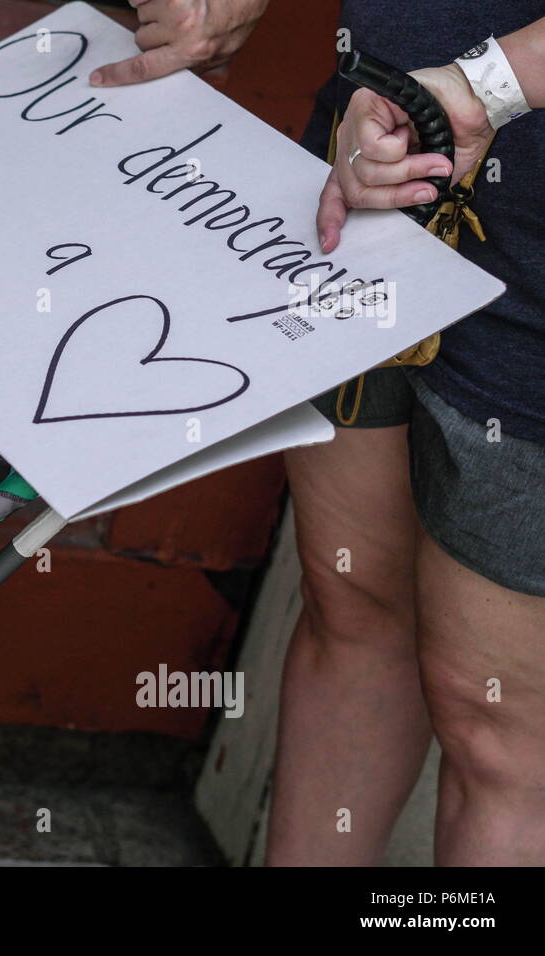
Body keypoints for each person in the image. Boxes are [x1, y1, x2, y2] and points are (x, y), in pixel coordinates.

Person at [94, 1, 545, 864]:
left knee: (502, 742)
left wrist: (486, 88)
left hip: (521, 249)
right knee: (353, 607)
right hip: (378, 159)